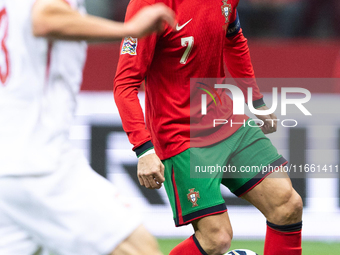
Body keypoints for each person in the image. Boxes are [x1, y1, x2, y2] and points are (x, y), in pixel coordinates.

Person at [114, 0, 303, 255]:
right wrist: (144, 150)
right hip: (181, 136)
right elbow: (125, 84)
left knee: (288, 204)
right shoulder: (149, 4)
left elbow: (234, 40)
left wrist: (255, 100)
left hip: (225, 121)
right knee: (217, 239)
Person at [0, 0, 175, 254]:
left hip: (9, 162)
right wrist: (129, 29)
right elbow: (45, 19)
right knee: (140, 248)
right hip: (39, 164)